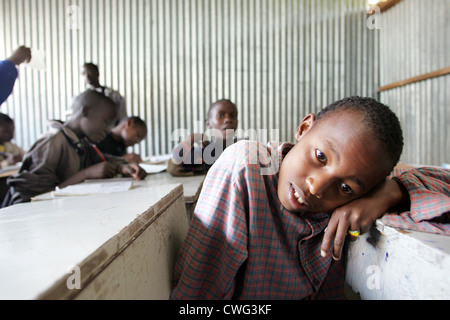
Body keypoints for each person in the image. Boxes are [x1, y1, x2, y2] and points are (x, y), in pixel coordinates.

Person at [170, 96, 450, 299]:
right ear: (304, 128)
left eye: (346, 187)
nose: (317, 188)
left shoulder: (356, 197)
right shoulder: (246, 169)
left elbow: (440, 180)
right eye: (320, 157)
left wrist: (390, 193)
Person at [2, 90, 147, 207]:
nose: (108, 129)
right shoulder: (53, 143)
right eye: (106, 122)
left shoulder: (81, 142)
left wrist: (122, 167)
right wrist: (85, 174)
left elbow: (103, 159)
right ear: (85, 112)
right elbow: (32, 199)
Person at [167, 99, 239, 176]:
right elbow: (175, 163)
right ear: (208, 123)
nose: (228, 120)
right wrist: (190, 139)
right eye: (221, 116)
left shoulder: (241, 147)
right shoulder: (205, 151)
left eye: (233, 116)